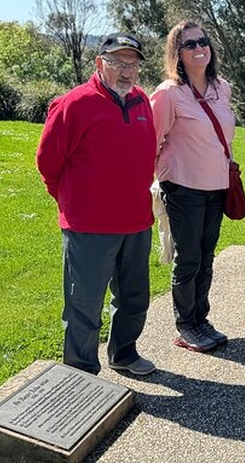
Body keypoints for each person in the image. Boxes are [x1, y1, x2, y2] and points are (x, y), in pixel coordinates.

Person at [36, 33, 156, 376]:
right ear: (99, 63)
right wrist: (73, 202)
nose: (127, 71)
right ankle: (82, 372)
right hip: (88, 226)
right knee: (84, 305)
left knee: (134, 298)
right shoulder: (74, 104)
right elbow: (48, 163)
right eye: (118, 63)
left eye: (133, 64)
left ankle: (124, 354)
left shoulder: (141, 101)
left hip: (136, 221)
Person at [151, 21, 234, 353]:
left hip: (217, 187)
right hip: (183, 187)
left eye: (203, 41)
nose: (199, 48)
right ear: (177, 53)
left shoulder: (222, 88)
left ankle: (201, 318)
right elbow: (151, 142)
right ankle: (186, 325)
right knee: (189, 259)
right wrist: (158, 179)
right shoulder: (168, 93)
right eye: (189, 44)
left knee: (206, 256)